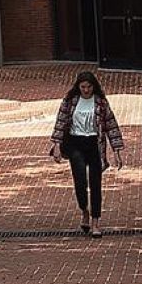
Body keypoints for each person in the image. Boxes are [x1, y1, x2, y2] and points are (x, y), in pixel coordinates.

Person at [49, 70, 125, 238]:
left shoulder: (100, 102)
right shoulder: (70, 101)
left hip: (94, 144)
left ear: (93, 86)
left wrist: (117, 150)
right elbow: (60, 122)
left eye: (89, 87)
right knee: (80, 180)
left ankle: (95, 221)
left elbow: (111, 126)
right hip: (75, 143)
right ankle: (84, 209)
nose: (86, 90)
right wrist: (56, 145)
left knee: (96, 183)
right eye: (83, 87)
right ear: (78, 86)